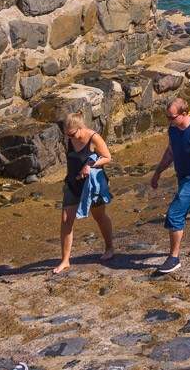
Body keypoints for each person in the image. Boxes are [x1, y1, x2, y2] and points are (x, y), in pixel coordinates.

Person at [147, 96, 190, 274]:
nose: (168, 121)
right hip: (182, 176)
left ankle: (174, 258)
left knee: (174, 214)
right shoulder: (173, 129)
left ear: (184, 113)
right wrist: (157, 173)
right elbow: (170, 152)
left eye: (171, 117)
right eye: (167, 117)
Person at [53, 115, 114, 271]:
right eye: (67, 134)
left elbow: (107, 157)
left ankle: (109, 248)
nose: (70, 137)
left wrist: (90, 165)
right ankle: (65, 260)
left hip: (92, 185)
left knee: (99, 216)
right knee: (66, 220)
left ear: (81, 127)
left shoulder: (94, 138)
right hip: (73, 183)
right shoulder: (68, 138)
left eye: (72, 134)